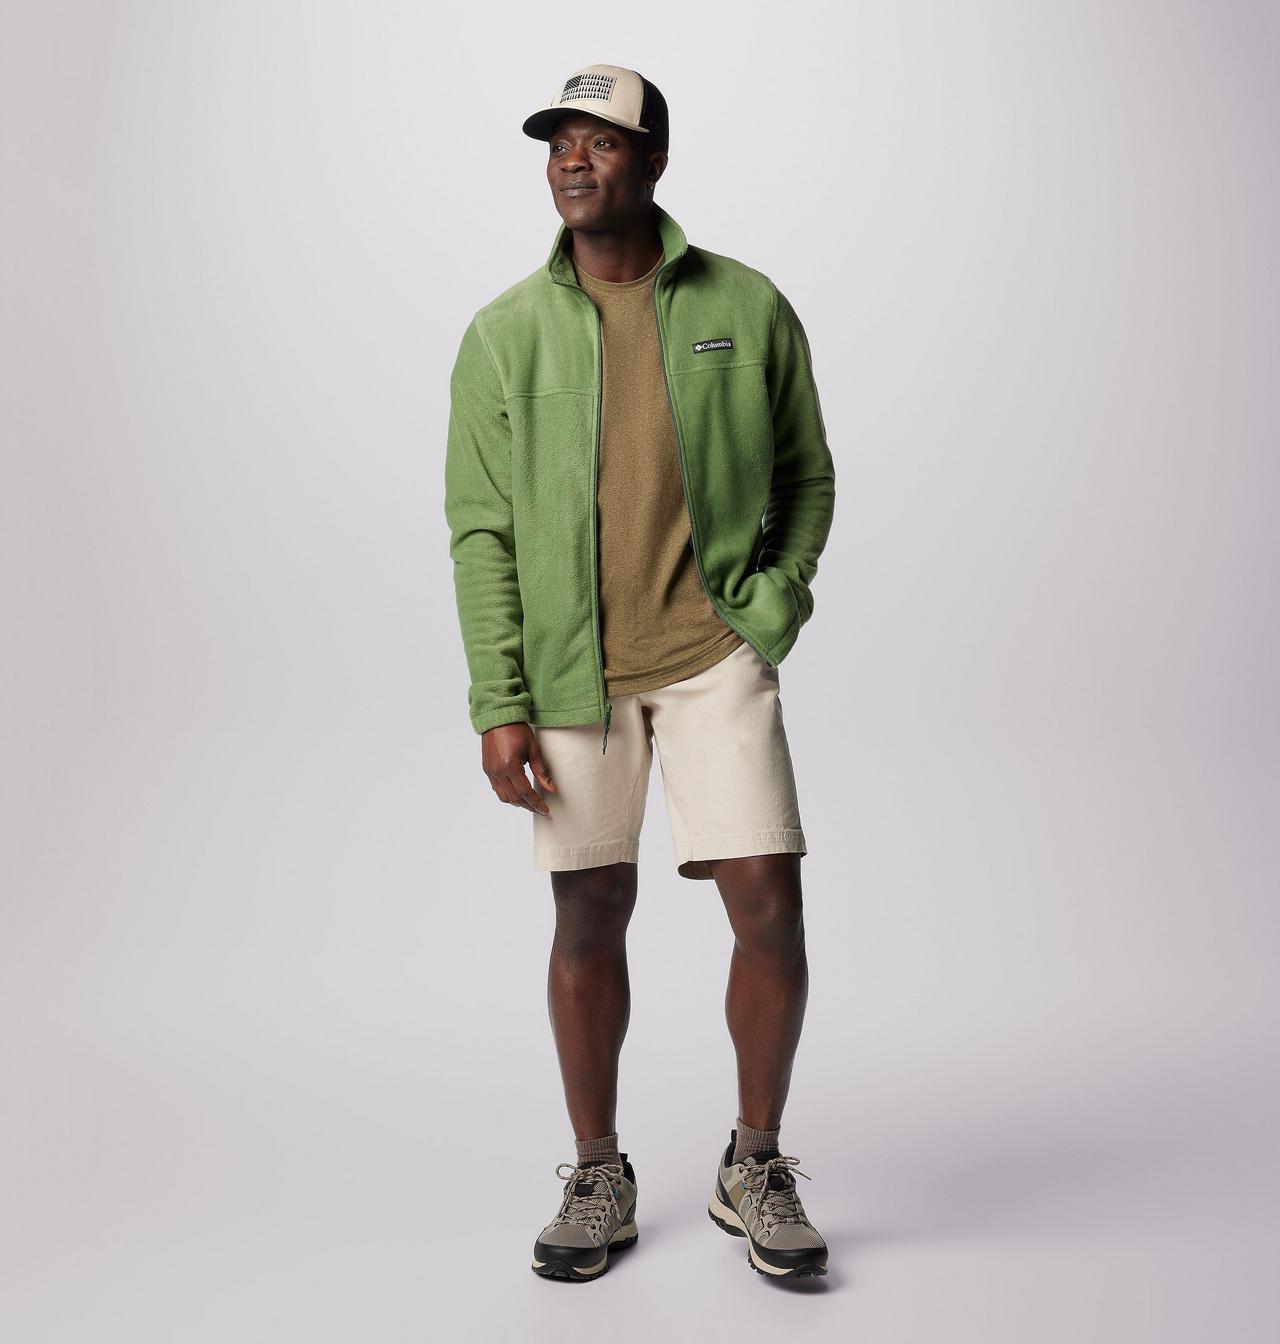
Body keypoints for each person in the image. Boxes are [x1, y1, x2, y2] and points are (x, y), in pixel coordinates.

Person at [443, 63, 836, 1281]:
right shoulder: (503, 332)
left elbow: (805, 471)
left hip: (711, 654)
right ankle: (595, 1170)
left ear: (653, 160)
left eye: (601, 141)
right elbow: (479, 529)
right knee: (586, 912)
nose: (573, 159)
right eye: (558, 140)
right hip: (573, 675)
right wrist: (499, 701)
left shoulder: (745, 304)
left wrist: (771, 601)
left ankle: (753, 1163)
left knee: (768, 902)